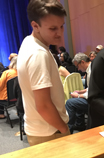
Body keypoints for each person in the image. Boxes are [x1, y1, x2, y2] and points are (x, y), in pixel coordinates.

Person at [17, 0, 70, 146]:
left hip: (41, 130)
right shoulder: (38, 54)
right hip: (50, 132)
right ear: (35, 26)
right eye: (53, 28)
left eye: (61, 26)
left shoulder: (28, 42)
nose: (59, 33)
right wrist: (64, 129)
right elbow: (44, 106)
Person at [65, 53, 91, 134]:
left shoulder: (91, 70)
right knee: (76, 101)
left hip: (94, 101)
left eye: (78, 66)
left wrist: (79, 95)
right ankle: (80, 124)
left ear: (82, 62)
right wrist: (80, 91)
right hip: (96, 98)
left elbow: (93, 92)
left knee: (69, 102)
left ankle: (68, 129)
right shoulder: (92, 68)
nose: (78, 69)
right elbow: (93, 88)